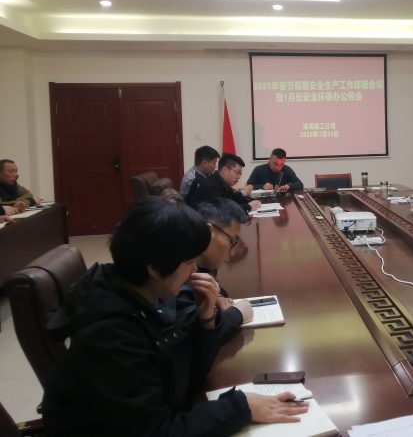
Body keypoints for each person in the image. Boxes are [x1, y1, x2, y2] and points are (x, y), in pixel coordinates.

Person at [43, 198, 307, 436]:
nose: (195, 270)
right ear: (155, 267)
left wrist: (206, 321)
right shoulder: (110, 335)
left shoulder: (145, 293)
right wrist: (241, 406)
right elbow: (157, 431)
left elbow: (185, 375)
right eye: (189, 262)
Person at [180, 198, 254, 343]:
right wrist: (237, 314)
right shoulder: (179, 272)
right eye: (232, 241)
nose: (233, 252)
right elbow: (193, 339)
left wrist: (217, 296)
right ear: (209, 232)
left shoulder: (202, 266)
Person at [188, 154, 261, 212]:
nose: (239, 176)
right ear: (225, 170)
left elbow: (233, 198)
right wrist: (249, 207)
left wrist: (252, 202)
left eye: (240, 174)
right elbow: (224, 210)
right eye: (237, 172)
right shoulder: (211, 185)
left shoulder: (222, 182)